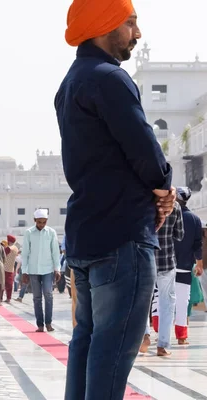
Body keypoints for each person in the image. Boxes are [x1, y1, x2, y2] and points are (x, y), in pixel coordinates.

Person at [55, 1, 176, 398]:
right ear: (106, 24)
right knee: (113, 347)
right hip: (122, 236)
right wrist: (164, 187)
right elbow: (144, 148)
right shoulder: (110, 78)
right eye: (131, 23)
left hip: (88, 236)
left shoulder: (71, 82)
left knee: (87, 342)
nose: (137, 34)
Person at [144, 201, 183, 356]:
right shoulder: (175, 206)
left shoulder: (146, 202)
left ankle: (145, 335)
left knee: (144, 301)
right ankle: (163, 345)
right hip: (167, 261)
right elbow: (179, 235)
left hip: (147, 260)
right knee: (167, 303)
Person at [21, 209, 61, 332]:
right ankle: (40, 324)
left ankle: (48, 323)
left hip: (48, 269)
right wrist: (24, 271)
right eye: (39, 222)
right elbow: (25, 253)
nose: (41, 224)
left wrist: (57, 269)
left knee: (48, 295)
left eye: (44, 222)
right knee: (37, 297)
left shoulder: (51, 232)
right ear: (35, 221)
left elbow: (55, 252)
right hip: (33, 270)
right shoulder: (29, 233)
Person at [173, 187, 203, 344]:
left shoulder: (167, 216)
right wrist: (199, 264)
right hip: (184, 266)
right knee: (183, 301)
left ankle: (156, 333)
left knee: (160, 300)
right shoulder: (195, 219)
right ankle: (181, 336)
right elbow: (197, 245)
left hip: (165, 266)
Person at [3, 235, 18, 303]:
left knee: (2, 284)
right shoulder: (16, 248)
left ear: (8, 241)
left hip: (4, 268)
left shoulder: (8, 248)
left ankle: (0, 297)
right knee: (9, 284)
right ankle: (8, 298)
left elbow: (2, 256)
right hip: (11, 268)